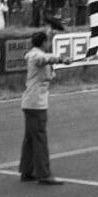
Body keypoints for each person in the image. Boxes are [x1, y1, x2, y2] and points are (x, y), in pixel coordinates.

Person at [19, 31, 72, 185]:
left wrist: (59, 62)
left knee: (30, 139)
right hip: (36, 104)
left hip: (31, 102)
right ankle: (44, 173)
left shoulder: (34, 55)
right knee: (40, 139)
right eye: (47, 42)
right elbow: (44, 58)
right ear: (43, 43)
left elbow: (47, 70)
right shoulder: (36, 55)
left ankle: (27, 171)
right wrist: (61, 58)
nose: (48, 44)